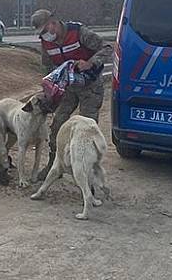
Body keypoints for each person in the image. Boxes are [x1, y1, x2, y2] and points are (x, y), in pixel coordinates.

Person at [31, 9, 112, 181]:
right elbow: (48, 66)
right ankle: (55, 165)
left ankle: (88, 172)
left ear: (53, 23)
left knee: (86, 130)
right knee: (57, 125)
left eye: (45, 31)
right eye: (41, 33)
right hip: (68, 87)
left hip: (90, 86)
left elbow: (107, 48)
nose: (45, 36)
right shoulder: (46, 44)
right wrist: (52, 85)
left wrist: (90, 63)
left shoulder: (78, 32)